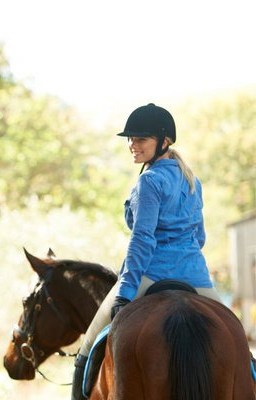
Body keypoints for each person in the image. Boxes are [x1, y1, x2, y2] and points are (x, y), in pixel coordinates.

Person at [71, 103, 223, 400]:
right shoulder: (193, 180)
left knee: (88, 346)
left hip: (150, 275)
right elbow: (200, 237)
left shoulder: (149, 180)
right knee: (239, 344)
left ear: (163, 142)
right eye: (130, 139)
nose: (132, 145)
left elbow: (142, 240)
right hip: (197, 279)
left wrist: (126, 293)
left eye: (141, 139)